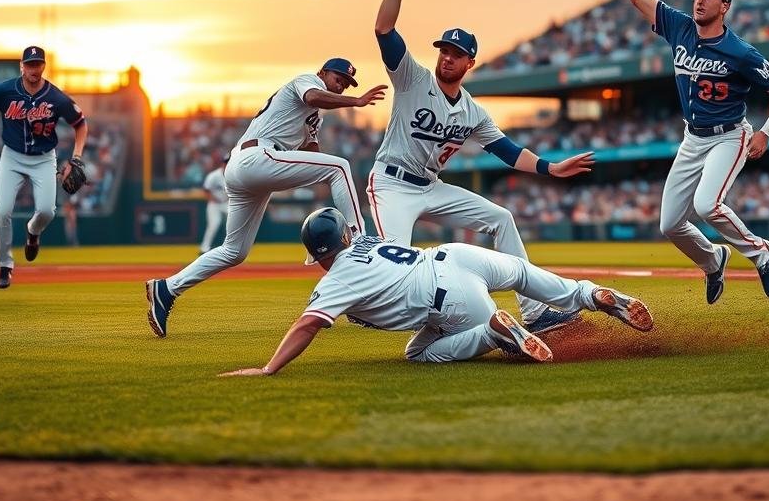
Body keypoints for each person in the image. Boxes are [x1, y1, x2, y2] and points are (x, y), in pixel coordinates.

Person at [367, 0, 596, 334]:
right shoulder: (413, 78)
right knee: (398, 264)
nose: (447, 58)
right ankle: (369, 306)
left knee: (501, 219)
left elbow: (506, 151)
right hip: (391, 184)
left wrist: (550, 167)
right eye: (444, 50)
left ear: (469, 62)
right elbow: (384, 30)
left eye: (456, 54)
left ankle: (536, 312)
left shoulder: (472, 111)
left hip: (430, 187)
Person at [218, 207, 654, 376]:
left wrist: (270, 367)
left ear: (321, 254)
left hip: (447, 297)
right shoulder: (365, 241)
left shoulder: (337, 278)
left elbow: (307, 324)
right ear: (348, 236)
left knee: (418, 355)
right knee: (523, 273)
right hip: (457, 254)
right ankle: (592, 294)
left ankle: (496, 332)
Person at [613, 0, 769, 305]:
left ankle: (761, 252)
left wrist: (767, 132)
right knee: (669, 224)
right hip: (693, 137)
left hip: (731, 135)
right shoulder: (680, 27)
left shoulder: (740, 51)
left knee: (706, 204)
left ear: (724, 6)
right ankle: (714, 262)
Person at [145, 59, 386, 338]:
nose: (342, 85)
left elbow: (312, 150)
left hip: (247, 170)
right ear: (322, 73)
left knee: (234, 251)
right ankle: (360, 241)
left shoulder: (313, 116)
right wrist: (356, 102)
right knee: (340, 166)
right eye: (339, 78)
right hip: (256, 158)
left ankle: (167, 288)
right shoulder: (306, 81)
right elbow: (314, 96)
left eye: (347, 84)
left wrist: (319, 176)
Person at [0, 45, 88, 289]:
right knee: (2, 211)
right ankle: (5, 265)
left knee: (47, 211)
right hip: (12, 156)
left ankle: (32, 232)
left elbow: (80, 124)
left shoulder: (55, 97)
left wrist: (76, 158)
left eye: (38, 64)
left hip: (44, 158)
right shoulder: (5, 90)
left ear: (43, 66)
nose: (34, 69)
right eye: (29, 64)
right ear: (21, 66)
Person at [198, 155, 227, 253]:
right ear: (222, 163)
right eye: (226, 162)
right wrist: (213, 199)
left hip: (227, 203)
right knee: (214, 224)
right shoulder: (214, 176)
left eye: (229, 162)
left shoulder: (234, 175)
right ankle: (204, 248)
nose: (227, 164)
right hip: (214, 204)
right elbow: (206, 190)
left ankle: (230, 249)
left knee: (231, 226)